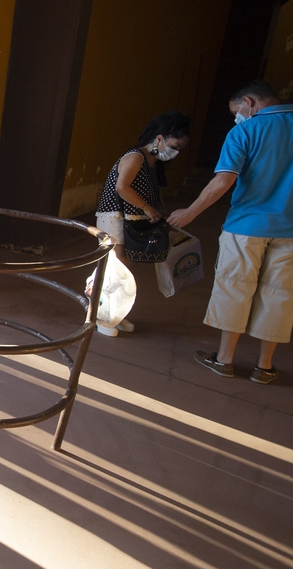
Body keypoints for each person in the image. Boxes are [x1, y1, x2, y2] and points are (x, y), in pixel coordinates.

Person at [168, 81, 293, 384]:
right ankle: (264, 366)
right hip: (290, 230)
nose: (237, 117)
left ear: (248, 102)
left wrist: (190, 212)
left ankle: (224, 359)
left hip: (246, 226)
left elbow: (223, 181)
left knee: (235, 286)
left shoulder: (245, 131)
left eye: (237, 111)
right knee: (280, 295)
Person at [93, 111, 190, 336]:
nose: (176, 152)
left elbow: (153, 194)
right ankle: (101, 317)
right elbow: (121, 187)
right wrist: (147, 208)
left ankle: (116, 315)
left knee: (128, 267)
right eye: (175, 146)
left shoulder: (153, 163)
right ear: (159, 138)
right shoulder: (135, 157)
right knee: (116, 268)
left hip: (132, 220)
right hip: (115, 216)